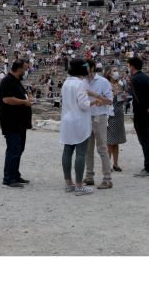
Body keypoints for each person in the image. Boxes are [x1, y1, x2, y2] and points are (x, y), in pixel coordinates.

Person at [59, 58, 95, 195]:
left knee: (67, 151)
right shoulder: (81, 84)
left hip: (67, 120)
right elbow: (83, 105)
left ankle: (69, 183)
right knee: (80, 153)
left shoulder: (66, 82)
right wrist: (94, 102)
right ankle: (79, 185)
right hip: (79, 120)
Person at [0, 59, 33, 188]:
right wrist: (24, 102)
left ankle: (15, 175)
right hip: (11, 122)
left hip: (20, 122)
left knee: (19, 149)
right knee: (13, 149)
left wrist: (28, 99)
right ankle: (8, 178)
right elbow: (7, 100)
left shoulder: (17, 81)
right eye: (25, 69)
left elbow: (21, 96)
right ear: (19, 69)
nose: (26, 71)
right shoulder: (7, 81)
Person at [127, 56, 149, 177]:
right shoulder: (147, 78)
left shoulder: (134, 79)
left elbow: (140, 99)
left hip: (142, 116)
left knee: (145, 142)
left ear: (132, 66)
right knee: (148, 140)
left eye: (129, 66)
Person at [83, 60, 114, 189]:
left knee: (102, 148)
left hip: (100, 117)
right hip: (86, 117)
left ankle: (107, 179)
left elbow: (110, 101)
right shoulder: (82, 82)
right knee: (87, 149)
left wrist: (95, 96)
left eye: (85, 67)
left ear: (92, 68)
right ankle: (89, 176)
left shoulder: (103, 82)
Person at [107, 66, 128, 171]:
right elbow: (104, 99)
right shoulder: (106, 85)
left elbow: (124, 98)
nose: (116, 72)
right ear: (109, 73)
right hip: (110, 115)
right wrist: (113, 94)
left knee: (116, 141)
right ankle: (107, 164)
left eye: (117, 70)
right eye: (114, 71)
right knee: (109, 142)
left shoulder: (121, 84)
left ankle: (115, 164)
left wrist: (125, 96)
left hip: (119, 114)